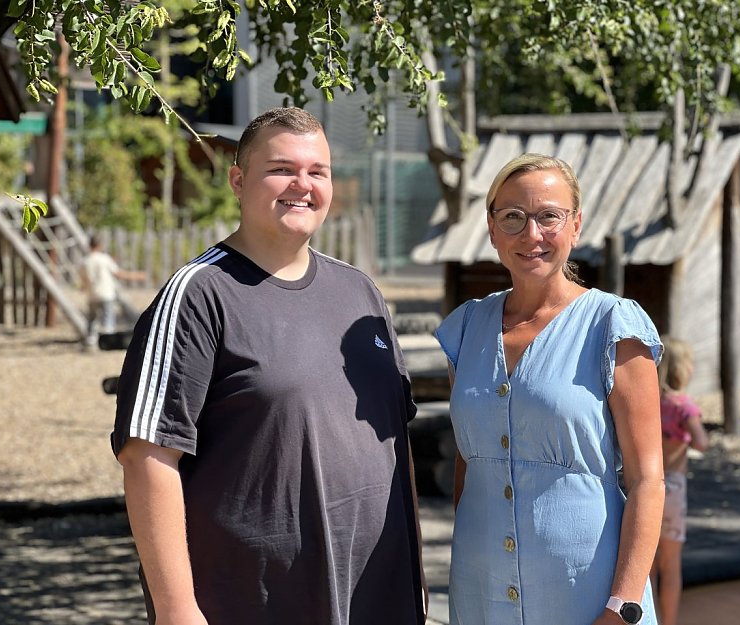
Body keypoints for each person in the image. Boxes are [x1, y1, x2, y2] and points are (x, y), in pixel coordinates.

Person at [111, 107, 427, 625]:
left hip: (378, 597)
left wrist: (412, 577)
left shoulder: (361, 293)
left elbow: (395, 442)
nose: (302, 185)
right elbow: (146, 455)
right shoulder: (198, 296)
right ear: (238, 180)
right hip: (253, 603)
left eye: (317, 172)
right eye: (282, 169)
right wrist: (175, 609)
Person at [434, 154, 664, 625]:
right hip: (481, 590)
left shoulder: (614, 326)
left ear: (575, 226)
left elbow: (648, 480)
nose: (531, 234)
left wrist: (622, 608)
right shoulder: (465, 331)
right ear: (492, 227)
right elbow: (467, 462)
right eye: (513, 217)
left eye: (549, 217)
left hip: (586, 593)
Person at [650, 336, 709, 625]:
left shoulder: (648, 402)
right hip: (672, 486)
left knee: (646, 565)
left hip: (645, 485)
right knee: (670, 564)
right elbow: (701, 442)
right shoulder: (684, 406)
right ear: (683, 369)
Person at [80, 234, 145, 347]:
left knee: (91, 320)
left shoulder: (85, 261)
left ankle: (90, 342)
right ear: (100, 245)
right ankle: (107, 341)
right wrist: (137, 276)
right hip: (106, 293)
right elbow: (118, 273)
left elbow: (84, 280)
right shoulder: (104, 259)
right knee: (107, 318)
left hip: (92, 294)